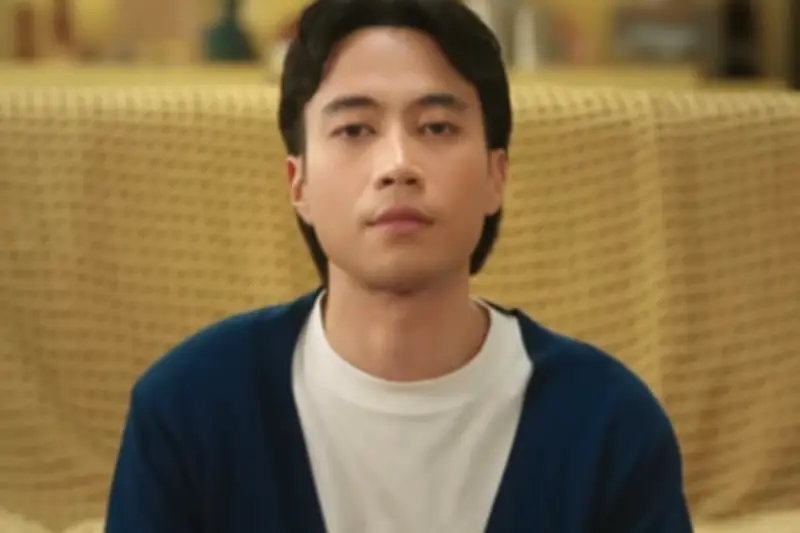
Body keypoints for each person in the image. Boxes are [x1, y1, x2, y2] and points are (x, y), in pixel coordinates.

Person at [105, 0, 694, 531]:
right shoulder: (188, 409)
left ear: (497, 176)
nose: (397, 165)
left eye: (436, 127)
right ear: (298, 183)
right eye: (354, 129)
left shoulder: (608, 424)